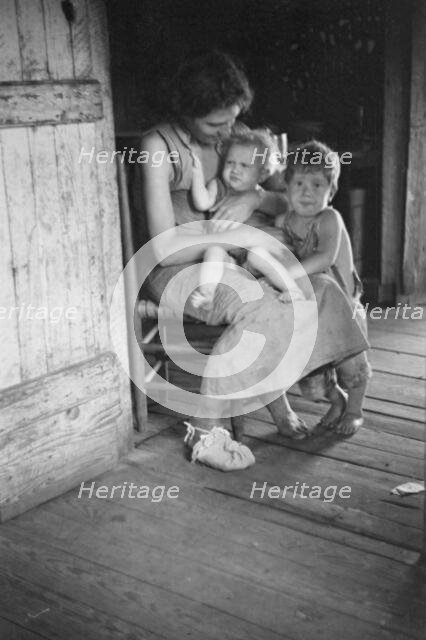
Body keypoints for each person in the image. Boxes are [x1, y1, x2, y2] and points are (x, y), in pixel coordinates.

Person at [137, 50, 369, 471]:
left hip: (246, 259)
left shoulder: (238, 137)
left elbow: (297, 202)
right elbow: (162, 248)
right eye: (215, 123)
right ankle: (207, 428)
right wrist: (237, 234)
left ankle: (322, 390)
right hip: (186, 270)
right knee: (266, 308)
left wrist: (256, 196)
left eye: (233, 118)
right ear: (185, 111)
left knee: (321, 290)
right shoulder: (159, 147)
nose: (228, 130)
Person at [275, 140, 372, 434]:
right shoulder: (287, 220)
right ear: (287, 188)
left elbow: (324, 257)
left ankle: (355, 410)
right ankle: (336, 401)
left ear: (331, 192)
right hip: (314, 309)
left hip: (343, 307)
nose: (307, 191)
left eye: (318, 185)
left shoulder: (329, 218)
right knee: (312, 374)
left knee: (350, 366)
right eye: (300, 183)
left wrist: (285, 272)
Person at [189, 128, 305, 310]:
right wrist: (196, 173)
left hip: (261, 257)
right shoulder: (217, 187)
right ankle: (208, 294)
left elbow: (286, 208)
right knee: (213, 251)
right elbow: (203, 203)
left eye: (244, 166)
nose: (235, 169)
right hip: (237, 261)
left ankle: (292, 289)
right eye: (230, 163)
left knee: (256, 254)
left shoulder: (261, 195)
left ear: (263, 174)